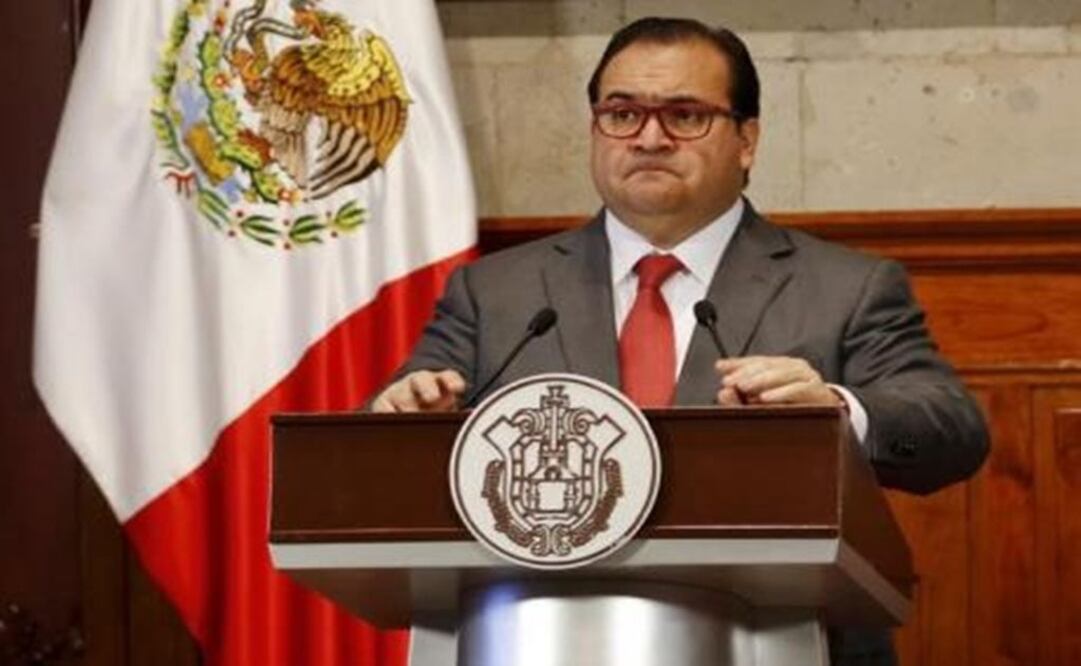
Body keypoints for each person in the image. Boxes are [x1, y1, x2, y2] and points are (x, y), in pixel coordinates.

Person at [372, 17, 989, 664]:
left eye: (685, 115)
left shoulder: (845, 287)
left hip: (785, 643)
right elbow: (376, 444)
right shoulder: (496, 293)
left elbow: (951, 430)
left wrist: (836, 413)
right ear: (594, 128)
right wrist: (400, 426)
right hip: (531, 638)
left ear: (746, 140)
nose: (648, 137)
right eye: (621, 113)